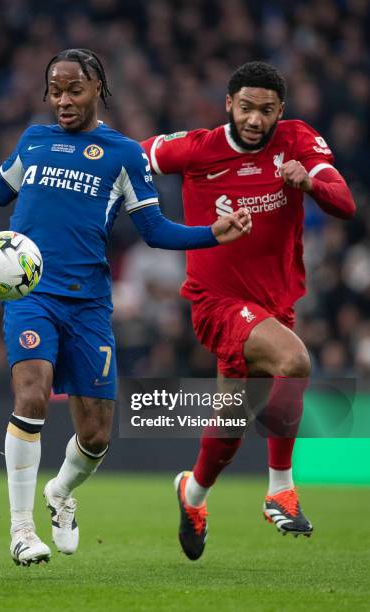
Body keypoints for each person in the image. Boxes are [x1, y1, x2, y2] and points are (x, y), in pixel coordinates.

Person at [0, 48, 251, 566]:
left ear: (99, 88)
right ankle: (22, 530)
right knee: (31, 394)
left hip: (90, 305)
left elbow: (154, 230)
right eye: (55, 90)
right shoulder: (35, 139)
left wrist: (213, 233)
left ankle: (60, 493)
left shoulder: (123, 154)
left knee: (94, 435)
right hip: (32, 295)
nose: (63, 100)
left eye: (74, 89)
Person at [141, 61, 356, 560]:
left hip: (271, 306)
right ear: (228, 106)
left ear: (280, 109)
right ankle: (280, 488)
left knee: (231, 423)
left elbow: (344, 202)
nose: (255, 119)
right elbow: (131, 159)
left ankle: (192, 495)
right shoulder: (196, 147)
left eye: (266, 109)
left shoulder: (298, 141)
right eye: (245, 107)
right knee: (296, 362)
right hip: (215, 303)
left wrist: (308, 183)